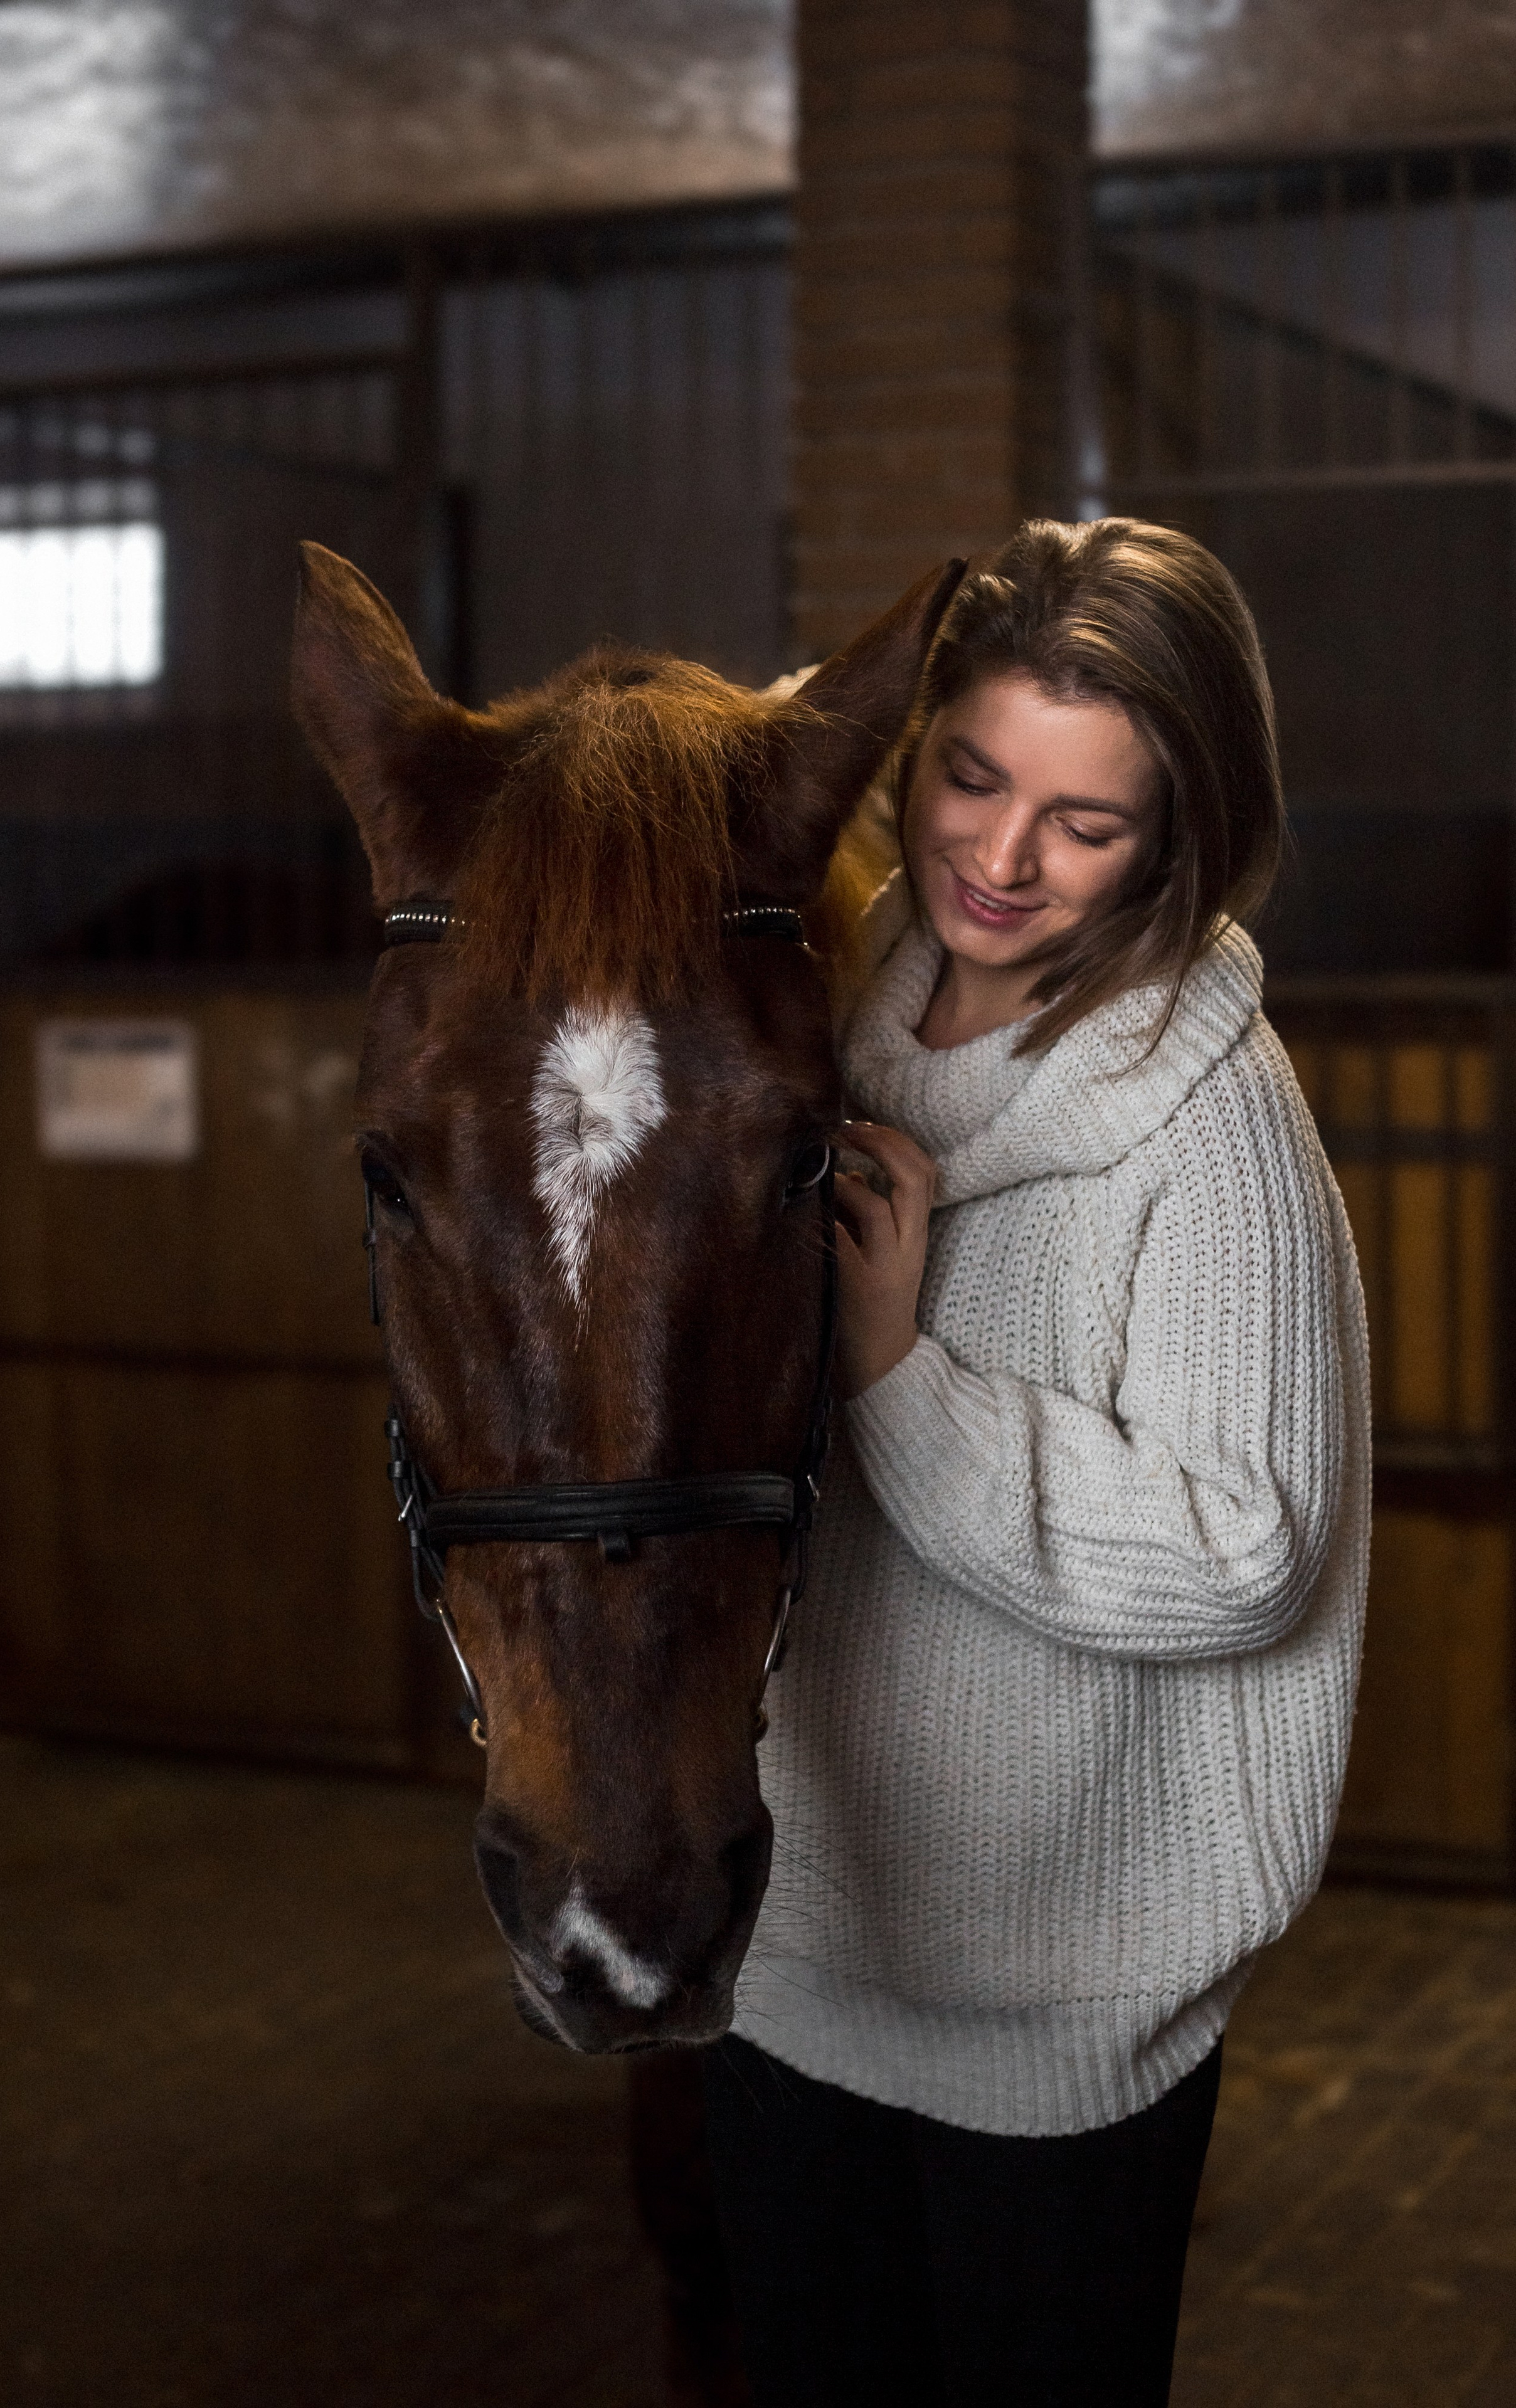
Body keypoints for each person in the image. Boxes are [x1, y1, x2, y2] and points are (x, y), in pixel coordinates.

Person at [702, 518, 1370, 2406]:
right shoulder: (839, 995)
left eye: (1085, 821)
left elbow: (1244, 1551)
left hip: (1055, 1995)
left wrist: (897, 1375)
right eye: (970, 776)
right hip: (797, 1934)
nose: (999, 859)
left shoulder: (1208, 1123)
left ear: (1178, 837)